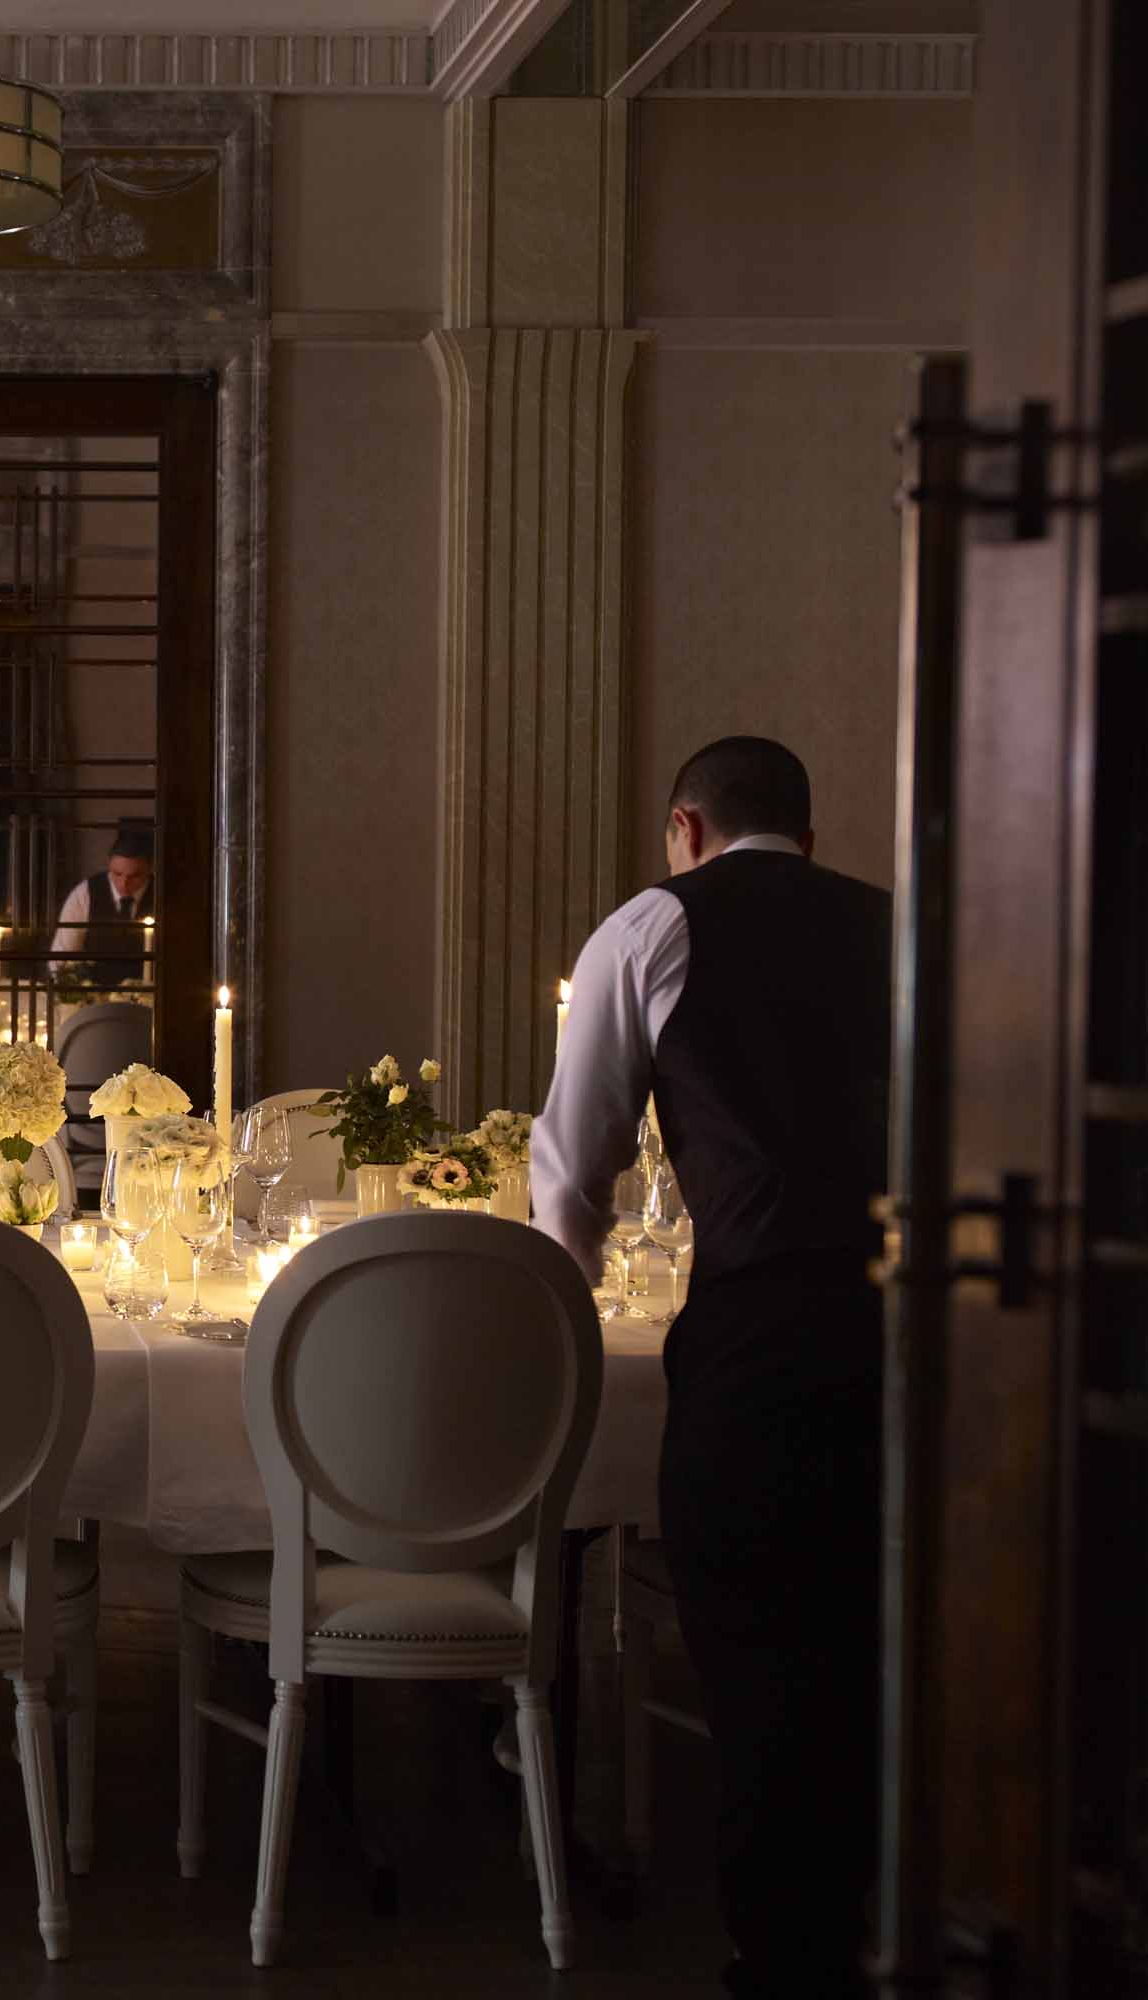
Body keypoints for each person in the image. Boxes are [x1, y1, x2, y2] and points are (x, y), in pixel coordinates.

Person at [534, 736, 890, 2000]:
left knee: (753, 1648)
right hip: (915, 1332)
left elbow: (575, 1168)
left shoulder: (651, 926)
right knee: (871, 1640)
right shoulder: (902, 925)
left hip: (761, 1328)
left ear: (685, 826)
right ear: (808, 833)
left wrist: (559, 1315)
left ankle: (788, 1956)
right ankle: (888, 1923)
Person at [48, 820, 155, 981]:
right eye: (117, 874)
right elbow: (61, 957)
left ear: (150, 869)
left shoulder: (163, 895)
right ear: (109, 865)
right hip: (95, 990)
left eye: (135, 876)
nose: (124, 883)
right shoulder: (85, 893)